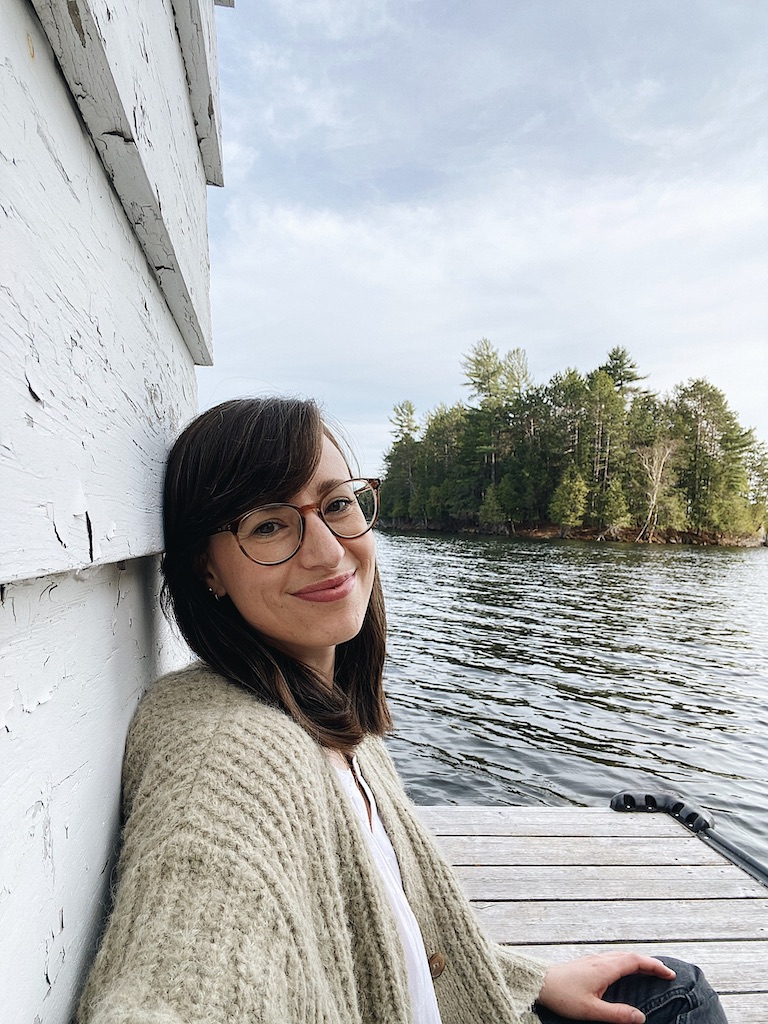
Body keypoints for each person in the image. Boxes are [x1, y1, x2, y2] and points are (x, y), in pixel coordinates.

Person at [76, 396, 727, 1024]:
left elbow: (392, 933)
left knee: (671, 989)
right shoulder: (225, 747)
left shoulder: (330, 712)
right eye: (269, 524)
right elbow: (188, 966)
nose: (329, 550)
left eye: (337, 504)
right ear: (206, 570)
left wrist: (528, 979)